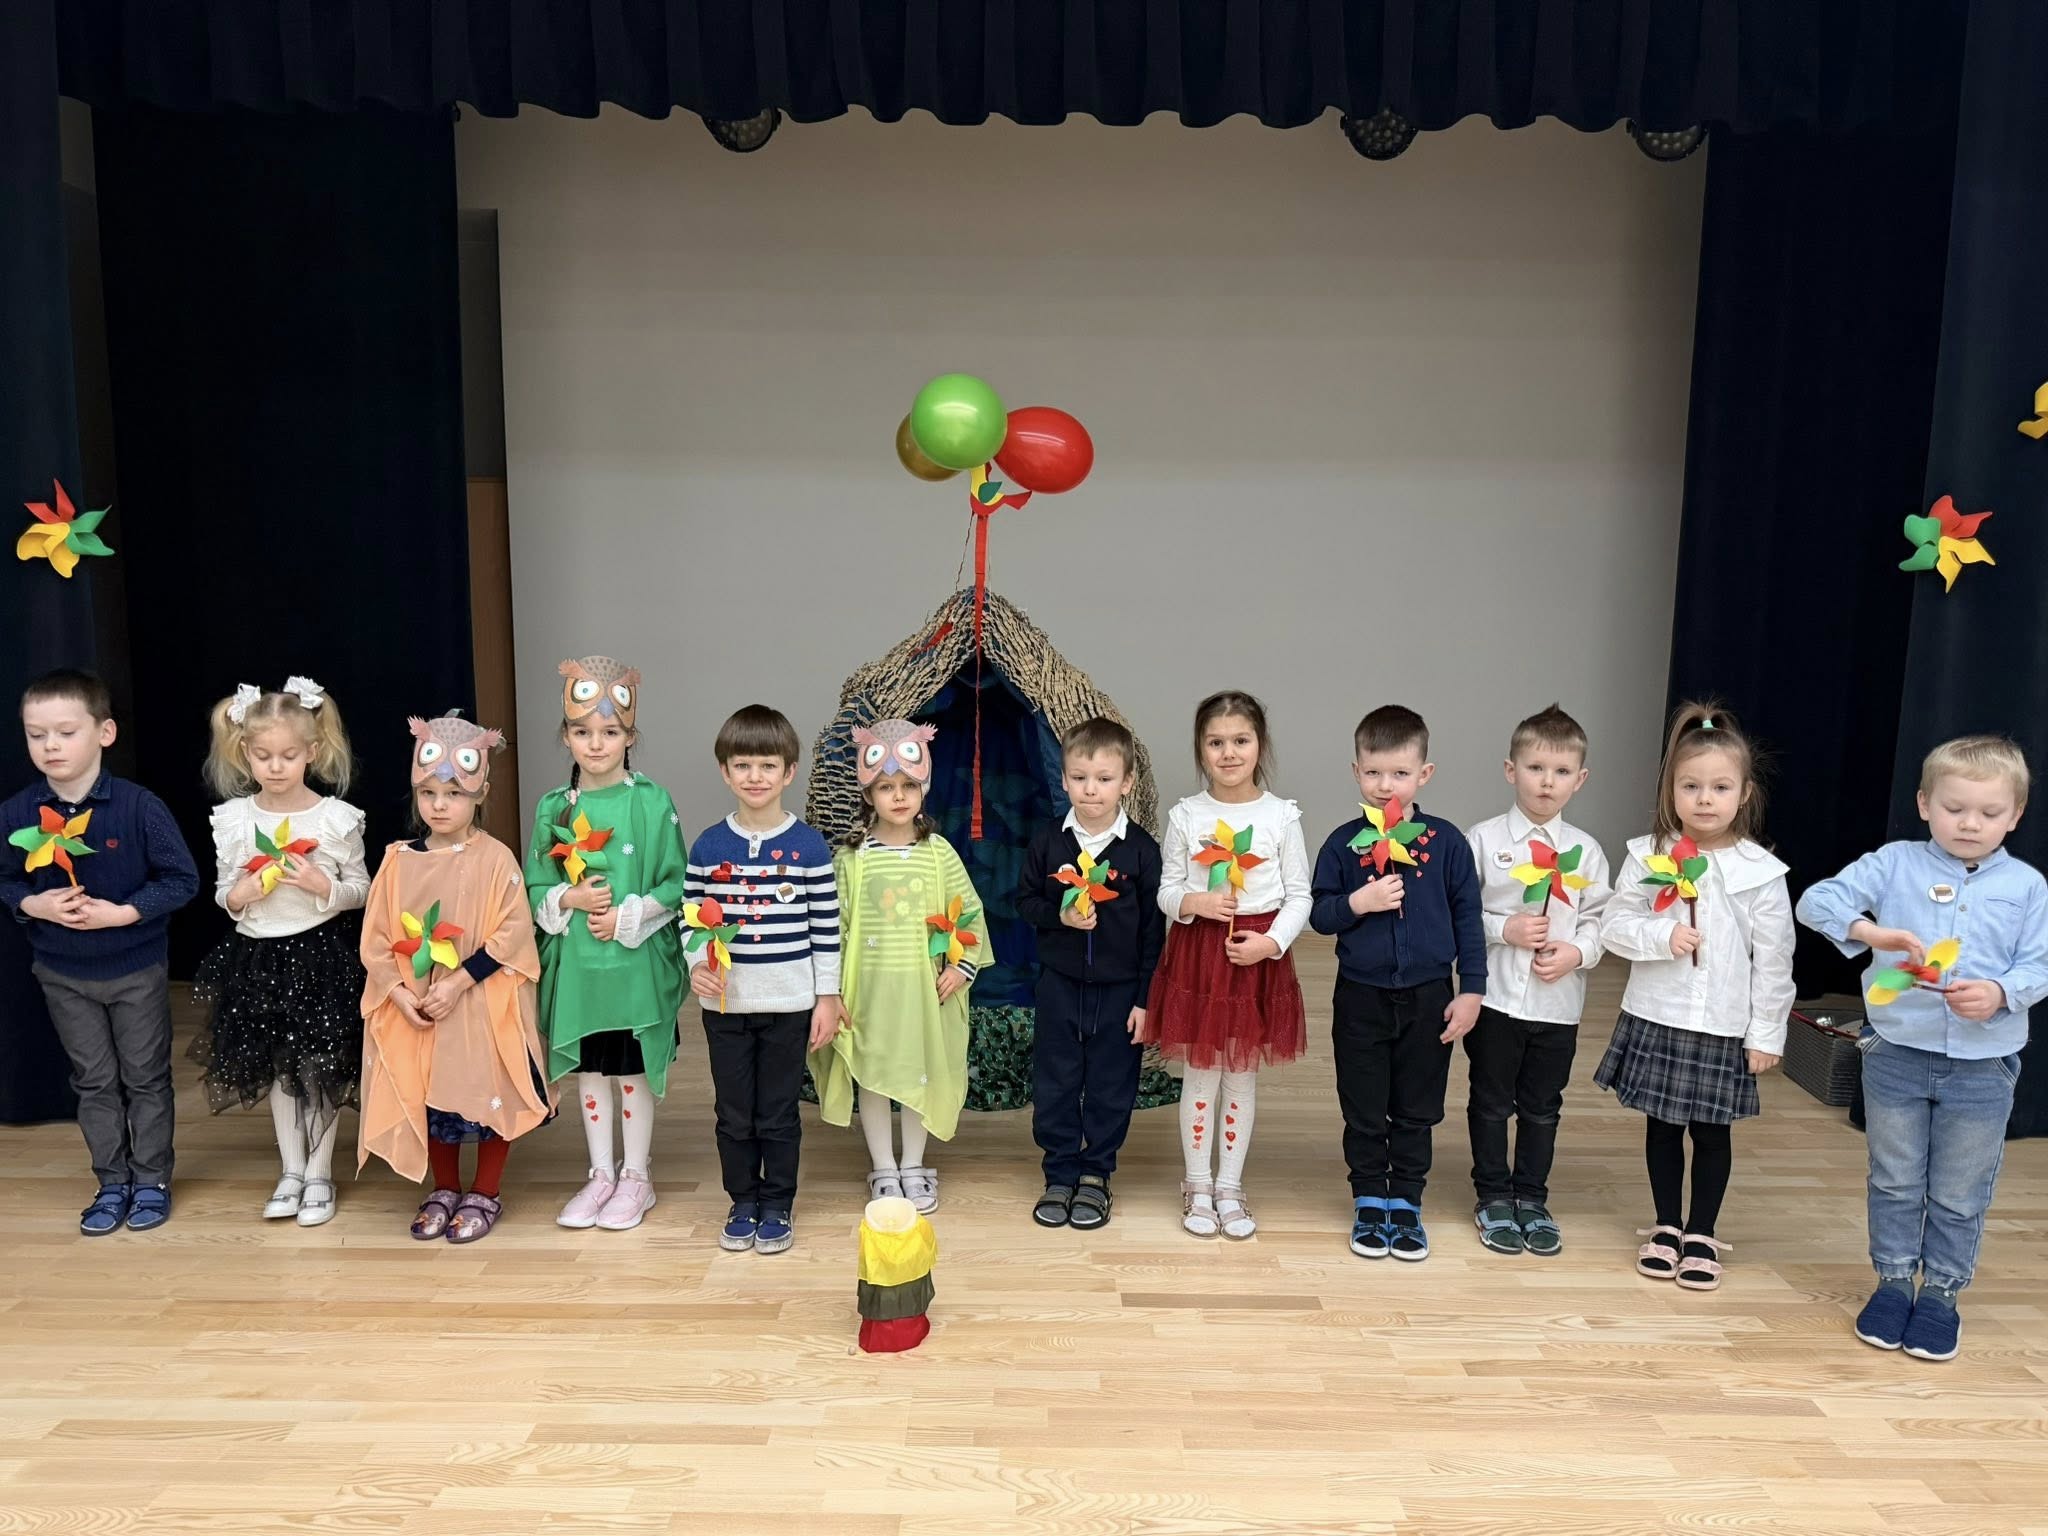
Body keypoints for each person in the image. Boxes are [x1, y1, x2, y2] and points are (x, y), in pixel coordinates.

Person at [1797, 735, 2048, 1361]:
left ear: (2016, 815)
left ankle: (1941, 1293)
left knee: (1961, 1190)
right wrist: (1870, 931)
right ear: (1924, 803)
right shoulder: (1893, 863)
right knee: (1895, 1179)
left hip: (1984, 1065)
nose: (1970, 823)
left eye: (1989, 812)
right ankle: (1891, 1282)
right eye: (1954, 808)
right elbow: (1815, 901)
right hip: (1895, 1053)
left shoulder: (2027, 886)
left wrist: (2000, 991)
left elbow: (2039, 964)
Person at [1595, 702, 1792, 1291]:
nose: (1705, 799)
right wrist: (1663, 935)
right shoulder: (1647, 856)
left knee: (1711, 1131)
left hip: (1724, 1022)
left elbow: (1774, 960)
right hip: (1660, 1014)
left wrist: (1766, 1033)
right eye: (1691, 786)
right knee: (1661, 1126)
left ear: (1744, 793)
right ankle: (1665, 1225)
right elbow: (1614, 927)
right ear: (1671, 791)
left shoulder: (1761, 872)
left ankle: (1702, 1231)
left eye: (1720, 787)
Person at [1, 669, 198, 1235]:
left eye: (65, 732)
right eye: (36, 734)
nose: (51, 745)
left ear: (104, 733)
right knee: (93, 1081)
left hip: (135, 969)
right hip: (62, 972)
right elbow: (6, 878)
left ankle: (152, 1179)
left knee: (145, 1077)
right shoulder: (17, 813)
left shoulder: (139, 807)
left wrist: (124, 912)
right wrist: (34, 904)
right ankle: (112, 1181)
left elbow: (181, 880)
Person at [358, 713, 553, 1243]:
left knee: (489, 1093)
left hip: (478, 1003)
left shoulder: (495, 859)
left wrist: (459, 981)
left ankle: (485, 1190)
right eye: (429, 793)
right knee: (430, 1094)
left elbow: (513, 932)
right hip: (419, 1008)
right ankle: (444, 1187)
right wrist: (399, 994)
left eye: (454, 794)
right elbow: (376, 940)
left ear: (480, 793)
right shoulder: (398, 862)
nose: (440, 805)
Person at [1310, 705, 1486, 1262]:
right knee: (1363, 1102)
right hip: (1360, 995)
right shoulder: (1343, 844)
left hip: (1430, 994)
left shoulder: (1446, 842)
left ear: (1424, 775)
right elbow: (1319, 914)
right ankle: (1368, 1197)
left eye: (1400, 773)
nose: (1386, 785)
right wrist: (1358, 902)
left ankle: (1406, 1199)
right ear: (1356, 772)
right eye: (1373, 773)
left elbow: (1468, 918)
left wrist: (1471, 989)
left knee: (1417, 1103)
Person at [192, 676, 368, 1227]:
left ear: (311, 752)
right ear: (244, 751)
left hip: (320, 956)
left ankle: (320, 1172)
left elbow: (364, 889)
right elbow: (224, 892)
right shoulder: (235, 820)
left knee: (320, 1066)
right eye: (263, 755)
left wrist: (323, 886)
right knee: (275, 1068)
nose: (275, 767)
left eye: (288, 756)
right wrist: (240, 895)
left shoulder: (335, 819)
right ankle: (291, 1169)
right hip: (256, 958)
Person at [528, 657, 686, 1233]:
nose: (596, 744)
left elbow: (675, 882)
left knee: (630, 1068)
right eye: (582, 731)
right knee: (591, 1070)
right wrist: (568, 899)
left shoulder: (652, 802)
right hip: (579, 969)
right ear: (566, 735)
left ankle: (636, 1175)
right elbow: (535, 884)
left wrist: (624, 917)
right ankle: (600, 1173)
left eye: (610, 732)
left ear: (630, 737)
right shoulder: (553, 807)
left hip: (634, 966)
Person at [809, 719, 990, 1215]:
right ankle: (883, 1167)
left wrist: (961, 967)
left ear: (923, 790)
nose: (899, 796)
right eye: (886, 787)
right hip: (868, 995)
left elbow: (968, 915)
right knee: (873, 1077)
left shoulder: (938, 853)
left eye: (908, 785)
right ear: (869, 794)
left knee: (917, 1076)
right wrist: (832, 992)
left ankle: (913, 1164)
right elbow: (832, 928)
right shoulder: (852, 859)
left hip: (922, 994)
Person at [1147, 690, 1309, 1241]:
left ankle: (1229, 1185)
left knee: (1241, 1075)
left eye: (1240, 740)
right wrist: (1194, 902)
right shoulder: (1186, 815)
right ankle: (1197, 1182)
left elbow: (1300, 896)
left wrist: (1272, 943)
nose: (1229, 752)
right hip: (1200, 956)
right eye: (1215, 742)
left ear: (1260, 745)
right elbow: (1167, 890)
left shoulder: (1281, 816)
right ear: (1200, 748)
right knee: (1201, 1074)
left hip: (1255, 956)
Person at [684, 704, 841, 1255]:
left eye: (768, 765)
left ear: (789, 771)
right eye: (743, 765)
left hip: (790, 1004)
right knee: (733, 1112)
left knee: (777, 1112)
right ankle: (742, 1200)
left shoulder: (810, 848)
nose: (756, 776)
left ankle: (777, 1204)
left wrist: (827, 998)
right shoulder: (708, 847)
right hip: (727, 1006)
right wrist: (697, 963)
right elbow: (691, 918)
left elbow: (826, 929)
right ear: (725, 772)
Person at [1460, 703, 1611, 1256]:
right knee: (1491, 1101)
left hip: (1557, 1006)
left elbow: (1601, 920)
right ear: (1511, 770)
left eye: (1561, 771)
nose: (1547, 782)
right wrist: (1505, 928)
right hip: (1497, 1001)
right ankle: (1492, 1194)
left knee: (1543, 1105)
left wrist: (1577, 952)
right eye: (1536, 768)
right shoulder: (1482, 840)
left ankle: (1532, 1196)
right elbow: (1460, 914)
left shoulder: (1586, 852)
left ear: (1580, 779)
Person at [1016, 717, 1164, 1231]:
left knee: (1110, 1085)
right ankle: (1059, 1172)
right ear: (1063, 779)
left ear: (1127, 782)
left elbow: (1153, 933)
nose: (1091, 789)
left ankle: (1097, 1172)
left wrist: (1145, 999)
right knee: (1055, 1082)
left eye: (1104, 778)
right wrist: (1059, 915)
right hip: (1059, 985)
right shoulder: (1048, 843)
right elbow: (1024, 902)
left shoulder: (1141, 851)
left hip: (1120, 992)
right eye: (1079, 778)